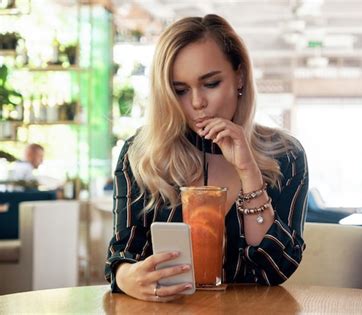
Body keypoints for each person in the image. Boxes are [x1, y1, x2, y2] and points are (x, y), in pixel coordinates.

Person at [105, 14, 308, 302]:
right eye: (180, 90)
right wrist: (127, 277)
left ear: (239, 75)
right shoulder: (142, 154)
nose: (197, 102)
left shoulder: (286, 154)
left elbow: (276, 269)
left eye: (211, 83)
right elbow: (122, 254)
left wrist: (248, 170)